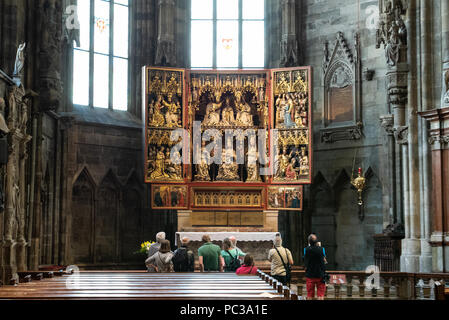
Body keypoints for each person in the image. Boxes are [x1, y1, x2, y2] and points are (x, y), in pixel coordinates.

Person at [304, 234, 326, 300]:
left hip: (310, 274)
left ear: (309, 242)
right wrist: (319, 247)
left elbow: (305, 259)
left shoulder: (306, 249)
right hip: (320, 274)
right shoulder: (322, 249)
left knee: (310, 294)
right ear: (317, 241)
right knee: (320, 294)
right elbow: (324, 260)